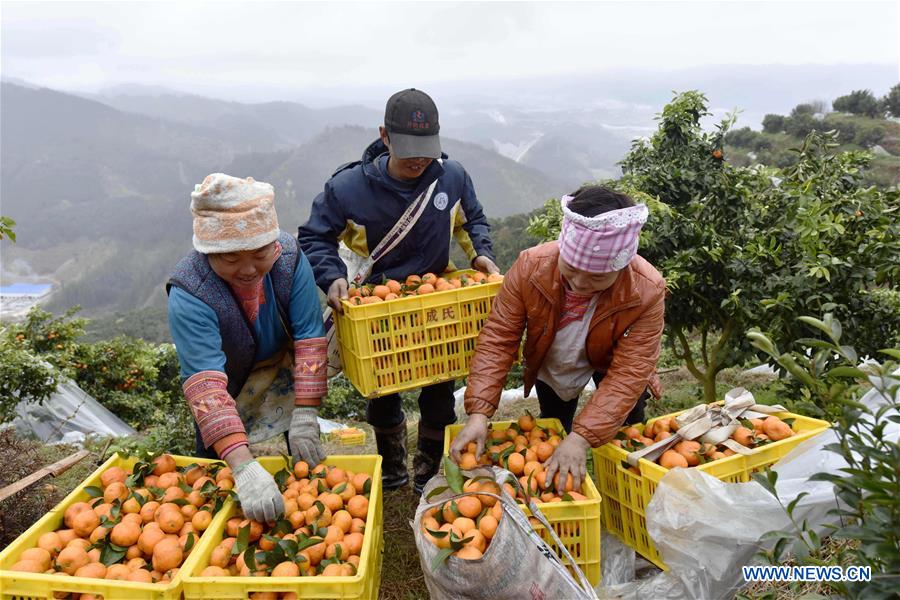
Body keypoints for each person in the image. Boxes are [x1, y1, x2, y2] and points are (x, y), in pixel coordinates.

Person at [298, 88, 498, 493]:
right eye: (408, 148)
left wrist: (481, 255)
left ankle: (427, 471)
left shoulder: (452, 176)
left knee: (440, 389)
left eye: (427, 148)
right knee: (382, 391)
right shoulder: (348, 188)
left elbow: (471, 220)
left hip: (434, 299)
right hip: (376, 305)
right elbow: (315, 236)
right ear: (384, 136)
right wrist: (331, 276)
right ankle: (391, 473)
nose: (419, 158)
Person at [450, 185, 665, 493]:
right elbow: (499, 338)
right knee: (554, 425)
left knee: (626, 432)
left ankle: (620, 493)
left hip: (613, 360)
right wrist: (479, 413)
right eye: (572, 270)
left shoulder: (646, 290)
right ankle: (556, 484)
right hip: (554, 359)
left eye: (597, 277)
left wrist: (582, 438)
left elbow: (630, 372)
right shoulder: (530, 268)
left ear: (621, 265)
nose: (579, 283)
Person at [167, 173, 328, 524]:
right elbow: (206, 386)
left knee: (302, 454)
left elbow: (309, 336)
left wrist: (305, 413)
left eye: (259, 254)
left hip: (282, 366)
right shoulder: (190, 291)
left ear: (273, 244)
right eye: (230, 259)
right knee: (219, 469)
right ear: (208, 250)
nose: (248, 269)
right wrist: (243, 467)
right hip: (229, 379)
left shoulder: (289, 259)